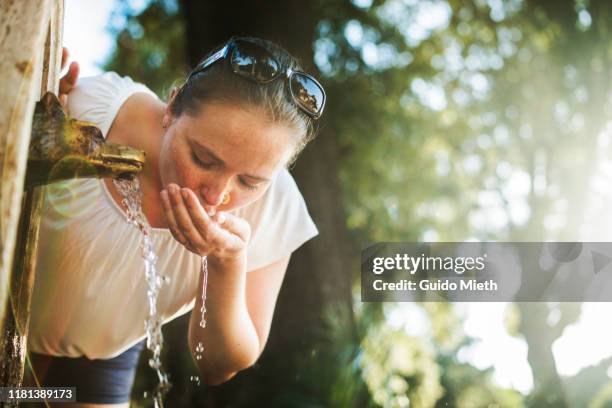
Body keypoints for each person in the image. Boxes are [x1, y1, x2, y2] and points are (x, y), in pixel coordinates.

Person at [26, 36, 325, 407]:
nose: (217, 195)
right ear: (171, 106)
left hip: (96, 359)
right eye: (202, 158)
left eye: (250, 182)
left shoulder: (275, 207)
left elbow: (216, 364)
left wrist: (226, 264)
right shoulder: (89, 109)